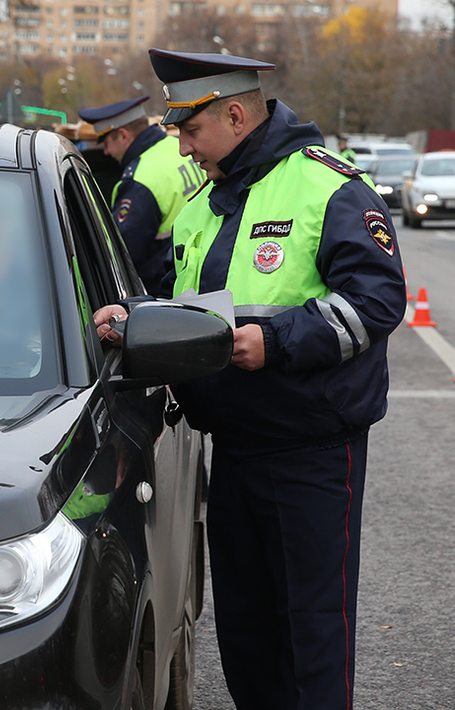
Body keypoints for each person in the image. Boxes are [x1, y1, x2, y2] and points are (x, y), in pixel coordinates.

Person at [93, 49, 407, 710]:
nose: (179, 144)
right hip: (234, 453)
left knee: (312, 644)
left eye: (189, 128)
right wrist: (137, 318)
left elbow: (377, 301)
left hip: (313, 455)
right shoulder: (207, 201)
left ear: (234, 114)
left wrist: (278, 342)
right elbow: (197, 309)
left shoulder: (328, 186)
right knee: (246, 640)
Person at [79, 97, 205, 292]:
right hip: (197, 274)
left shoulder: (139, 180)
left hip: (161, 291)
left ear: (123, 135)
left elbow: (124, 254)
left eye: (106, 143)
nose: (105, 152)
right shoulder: (175, 147)